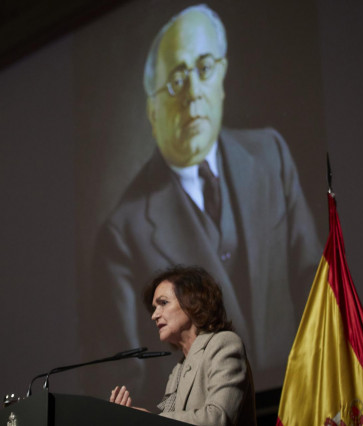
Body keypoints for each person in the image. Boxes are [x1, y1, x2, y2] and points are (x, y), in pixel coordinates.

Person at [79, 3, 321, 400]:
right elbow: (127, 377)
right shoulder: (122, 233)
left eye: (204, 68)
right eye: (175, 82)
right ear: (152, 110)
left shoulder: (270, 154)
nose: (192, 93)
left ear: (222, 78)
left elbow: (314, 281)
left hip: (299, 402)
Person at [109, 265, 256, 426]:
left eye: (163, 303)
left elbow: (218, 419)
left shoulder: (223, 344)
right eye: (154, 308)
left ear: (192, 303)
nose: (154, 315)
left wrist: (149, 420)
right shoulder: (178, 370)